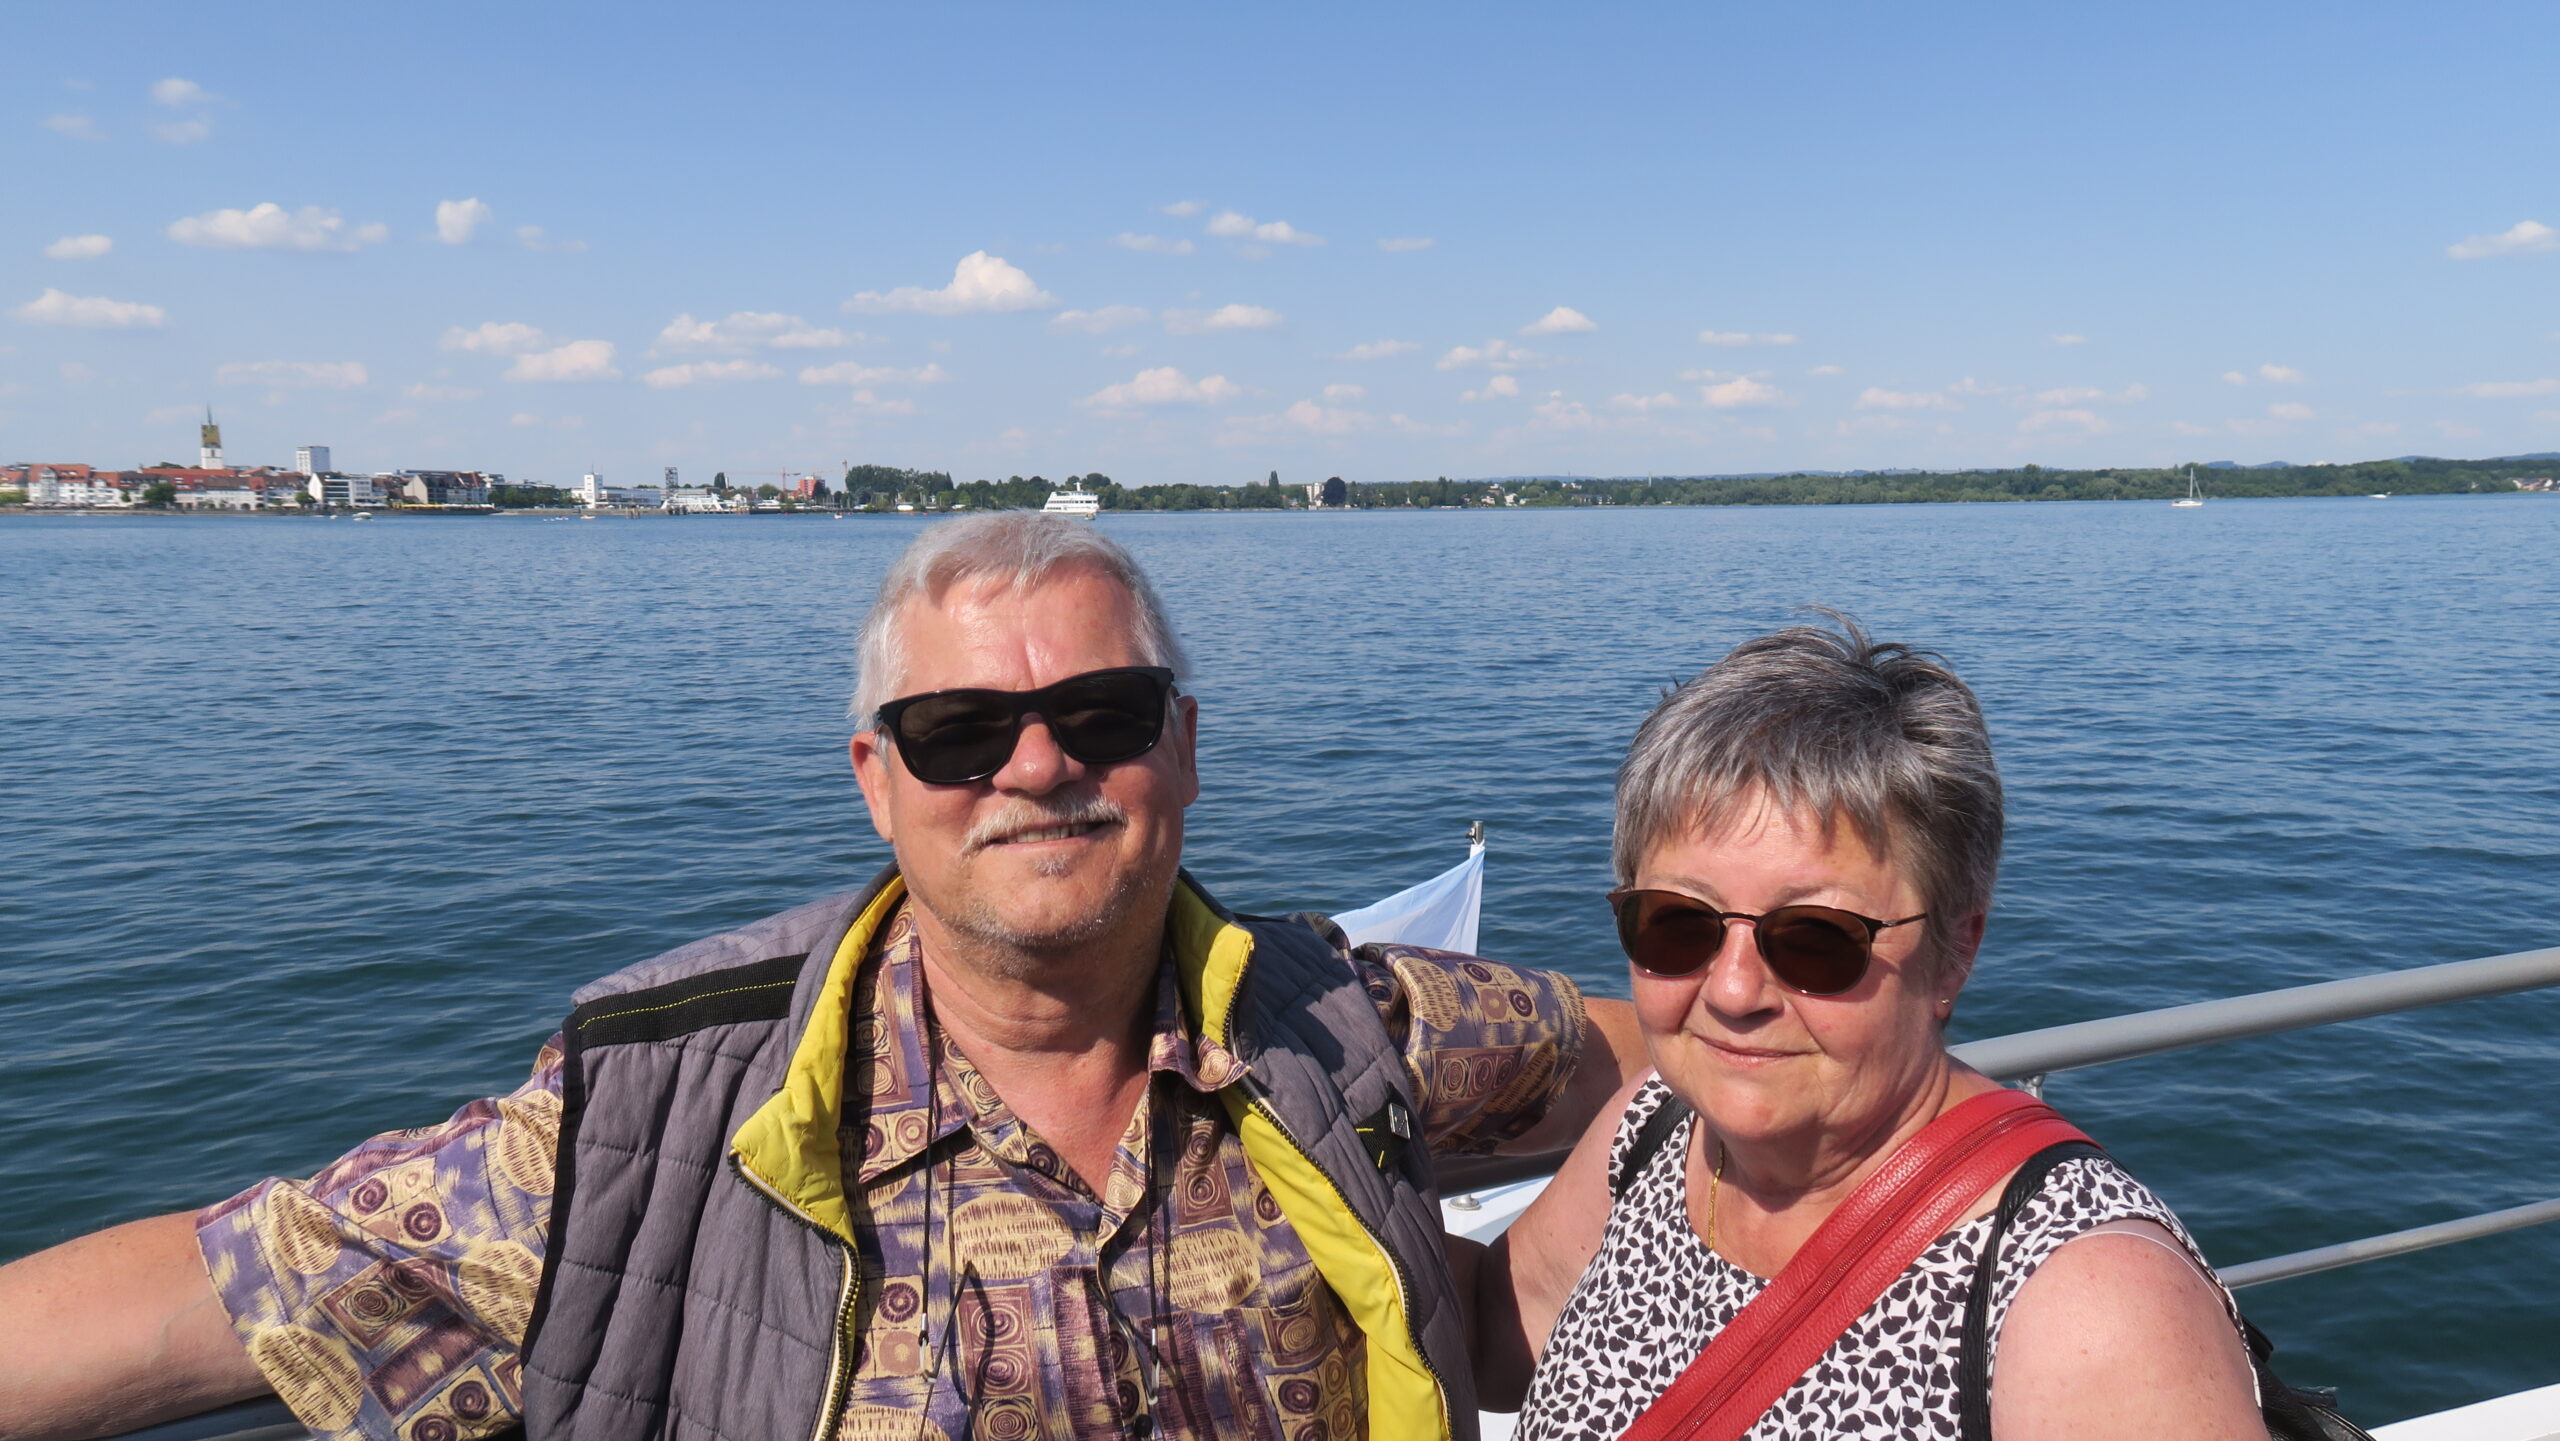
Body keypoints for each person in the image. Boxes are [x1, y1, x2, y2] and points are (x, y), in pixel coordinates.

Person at [0, 513, 1642, 1441]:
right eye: (960, 732)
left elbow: (1684, 1051)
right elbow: (216, 1291)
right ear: (877, 779)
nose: (1038, 768)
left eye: (1106, 718)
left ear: (1183, 752)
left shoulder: (1347, 1022)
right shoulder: (660, 1120)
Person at [1463, 617, 2265, 1440]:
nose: (1734, 989)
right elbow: (1496, 1323)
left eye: (1815, 938)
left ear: (1954, 950)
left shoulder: (2087, 1303)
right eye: (1677, 923)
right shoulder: (1658, 1123)